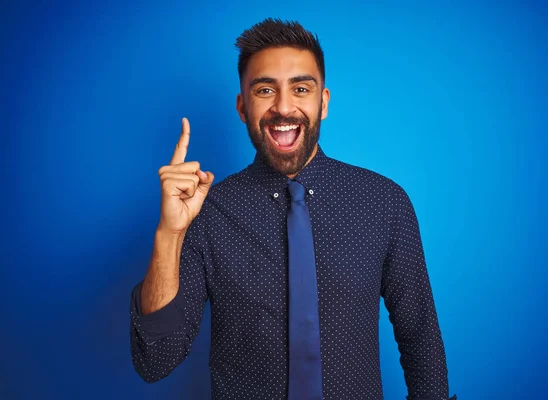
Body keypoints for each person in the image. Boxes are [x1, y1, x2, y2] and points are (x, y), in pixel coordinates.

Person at [129, 18, 457, 400]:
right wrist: (169, 235)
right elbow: (156, 361)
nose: (283, 107)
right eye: (265, 89)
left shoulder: (384, 202)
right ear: (242, 106)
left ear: (323, 102)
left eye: (301, 88)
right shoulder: (206, 213)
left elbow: (421, 339)